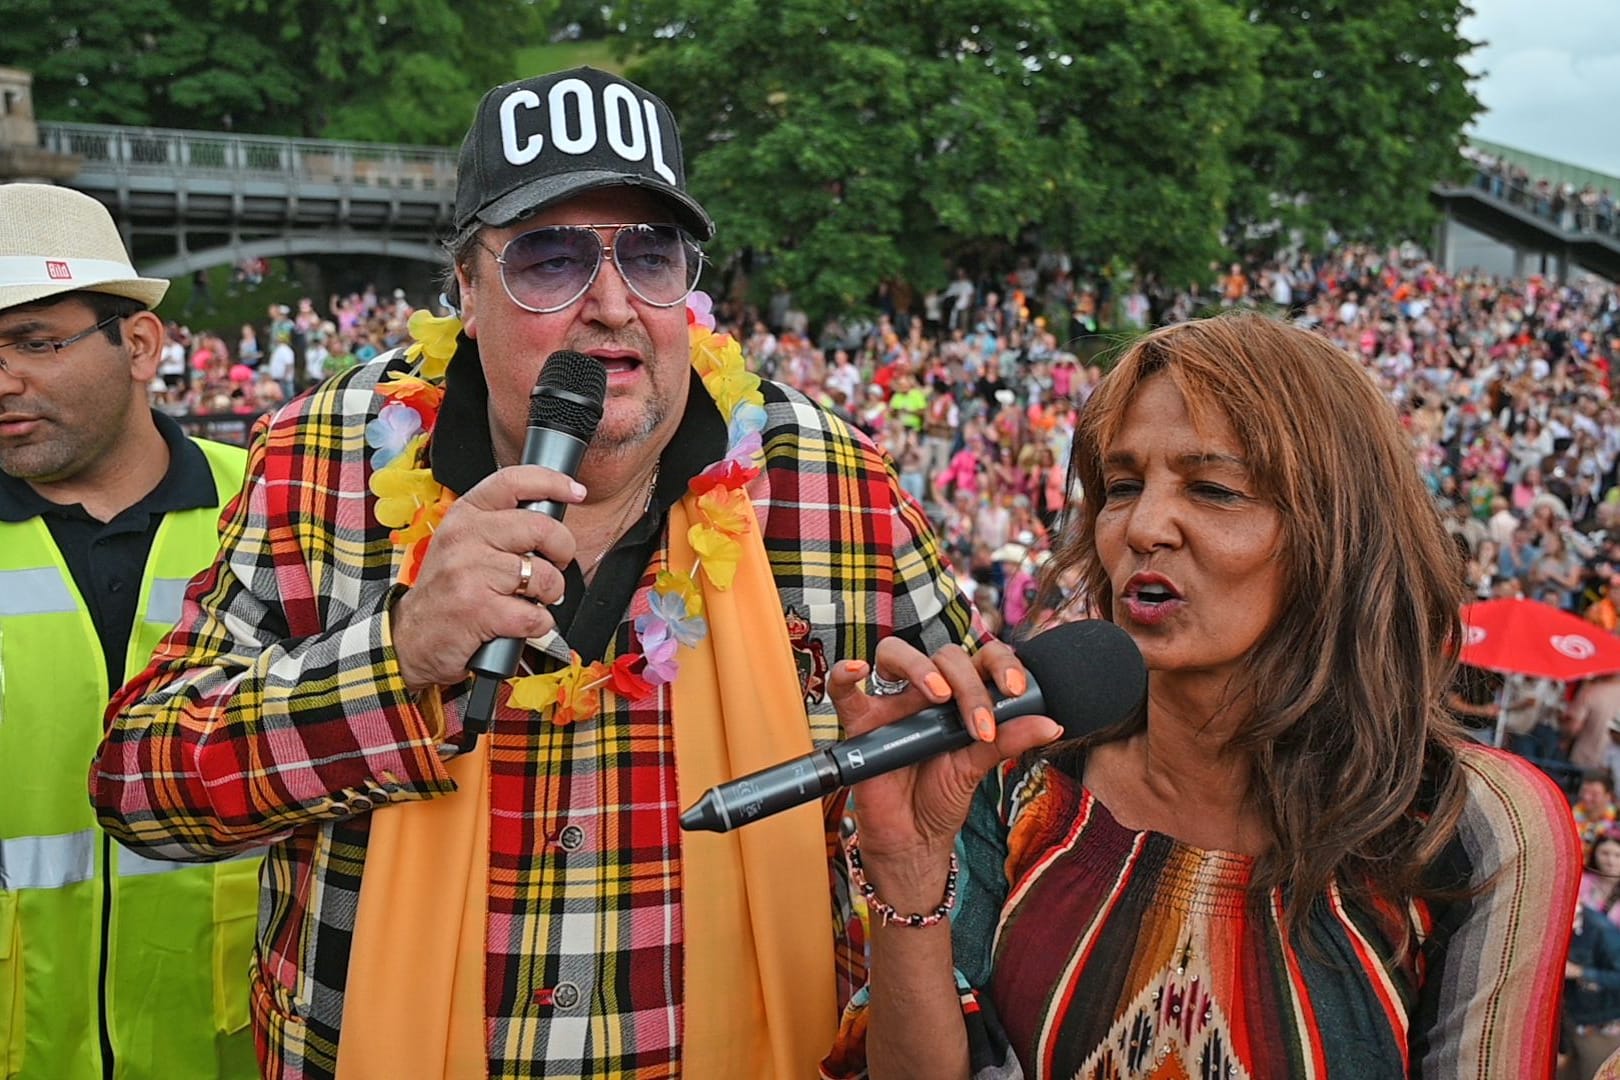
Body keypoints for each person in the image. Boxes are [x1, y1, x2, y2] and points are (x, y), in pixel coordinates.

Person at [91, 67, 983, 1080]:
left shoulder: (827, 481)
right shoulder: (323, 460)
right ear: (465, 290)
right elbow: (139, 789)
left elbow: (959, 808)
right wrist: (394, 660)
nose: (612, 305)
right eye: (551, 261)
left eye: (651, 256)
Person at [822, 313, 1580, 1077]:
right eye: (1121, 486)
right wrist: (909, 870)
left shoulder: (1472, 825)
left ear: (1342, 532)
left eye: (1214, 489)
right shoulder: (1016, 769)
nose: (1143, 527)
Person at [0, 184, 254, 1078]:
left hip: (230, 1041)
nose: (1, 379)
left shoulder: (273, 508)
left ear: (141, 345)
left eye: (34, 341)